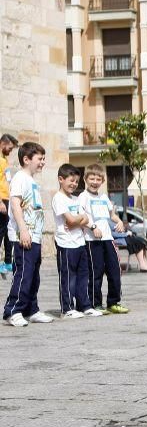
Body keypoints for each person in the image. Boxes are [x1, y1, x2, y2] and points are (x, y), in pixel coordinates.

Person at [3, 142, 53, 326]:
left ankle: (31, 309)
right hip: (23, 235)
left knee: (33, 275)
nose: (42, 162)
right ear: (26, 159)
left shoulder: (31, 181)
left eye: (43, 159)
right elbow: (15, 204)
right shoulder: (19, 178)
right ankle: (13, 310)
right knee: (23, 273)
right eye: (39, 159)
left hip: (35, 236)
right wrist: (23, 230)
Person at [53, 165, 103, 319]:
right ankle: (67, 309)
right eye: (71, 181)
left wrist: (78, 221)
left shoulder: (75, 198)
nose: (74, 184)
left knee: (83, 275)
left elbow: (85, 218)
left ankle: (84, 305)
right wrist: (78, 220)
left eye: (76, 181)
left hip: (80, 242)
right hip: (65, 243)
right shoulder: (58, 198)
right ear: (61, 180)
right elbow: (70, 219)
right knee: (68, 277)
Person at [79, 165, 130, 314]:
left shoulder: (103, 197)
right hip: (92, 240)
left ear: (102, 181)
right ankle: (95, 303)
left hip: (108, 239)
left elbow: (112, 214)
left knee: (115, 270)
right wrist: (93, 227)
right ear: (85, 179)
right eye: (92, 178)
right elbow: (82, 217)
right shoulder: (83, 197)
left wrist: (119, 221)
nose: (95, 182)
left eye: (98, 179)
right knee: (96, 272)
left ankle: (113, 302)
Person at [0, 133, 18, 277]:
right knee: (1, 231)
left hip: (7, 198)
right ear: (3, 143)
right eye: (10, 148)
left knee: (8, 230)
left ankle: (7, 261)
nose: (10, 151)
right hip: (1, 200)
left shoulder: (4, 160)